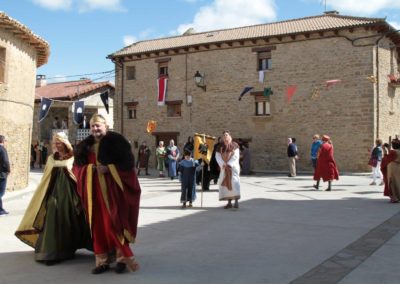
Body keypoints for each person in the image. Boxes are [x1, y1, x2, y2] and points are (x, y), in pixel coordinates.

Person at [73, 114, 141, 274]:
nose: (95, 129)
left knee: (115, 223)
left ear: (106, 127)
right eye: (92, 126)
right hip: (93, 193)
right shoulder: (84, 147)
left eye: (98, 125)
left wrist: (110, 168)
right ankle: (101, 261)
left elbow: (128, 168)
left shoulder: (117, 142)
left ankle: (121, 259)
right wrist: (89, 170)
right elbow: (76, 169)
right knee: (98, 226)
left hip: (113, 192)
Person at [15, 132, 92, 264]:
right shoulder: (52, 157)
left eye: (60, 142)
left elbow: (79, 173)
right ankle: (51, 252)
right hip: (53, 191)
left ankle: (67, 249)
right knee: (51, 214)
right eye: (55, 143)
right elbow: (47, 176)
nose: (58, 145)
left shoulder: (73, 156)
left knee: (69, 218)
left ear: (65, 143)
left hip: (70, 193)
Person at [216, 130, 241, 209]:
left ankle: (236, 201)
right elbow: (217, 156)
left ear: (230, 136)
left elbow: (236, 156)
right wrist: (223, 164)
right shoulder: (220, 147)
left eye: (227, 135)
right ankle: (229, 202)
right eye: (224, 135)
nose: (225, 137)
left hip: (233, 168)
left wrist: (229, 164)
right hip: (224, 168)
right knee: (226, 185)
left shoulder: (235, 145)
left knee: (234, 183)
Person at [381, 138, 400, 203]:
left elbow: (387, 158)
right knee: (398, 182)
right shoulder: (396, 151)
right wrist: (388, 148)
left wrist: (384, 150)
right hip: (398, 167)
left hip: (393, 168)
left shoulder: (393, 152)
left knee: (392, 182)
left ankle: (394, 197)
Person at [0, 135, 10, 215]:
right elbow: (6, 161)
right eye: (6, 141)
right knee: (1, 192)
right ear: (3, 141)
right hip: (1, 174)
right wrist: (8, 170)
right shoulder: (2, 149)